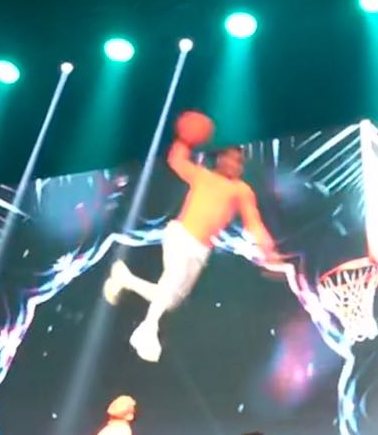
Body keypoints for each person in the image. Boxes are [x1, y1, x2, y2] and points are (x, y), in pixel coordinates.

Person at [103, 137, 280, 362]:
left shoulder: (241, 190)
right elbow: (176, 160)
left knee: (171, 300)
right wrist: (186, 138)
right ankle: (147, 330)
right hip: (180, 236)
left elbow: (253, 222)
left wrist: (267, 249)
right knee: (172, 277)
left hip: (201, 250)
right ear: (221, 158)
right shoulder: (202, 175)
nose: (236, 165)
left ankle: (125, 279)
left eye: (240, 161)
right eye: (232, 158)